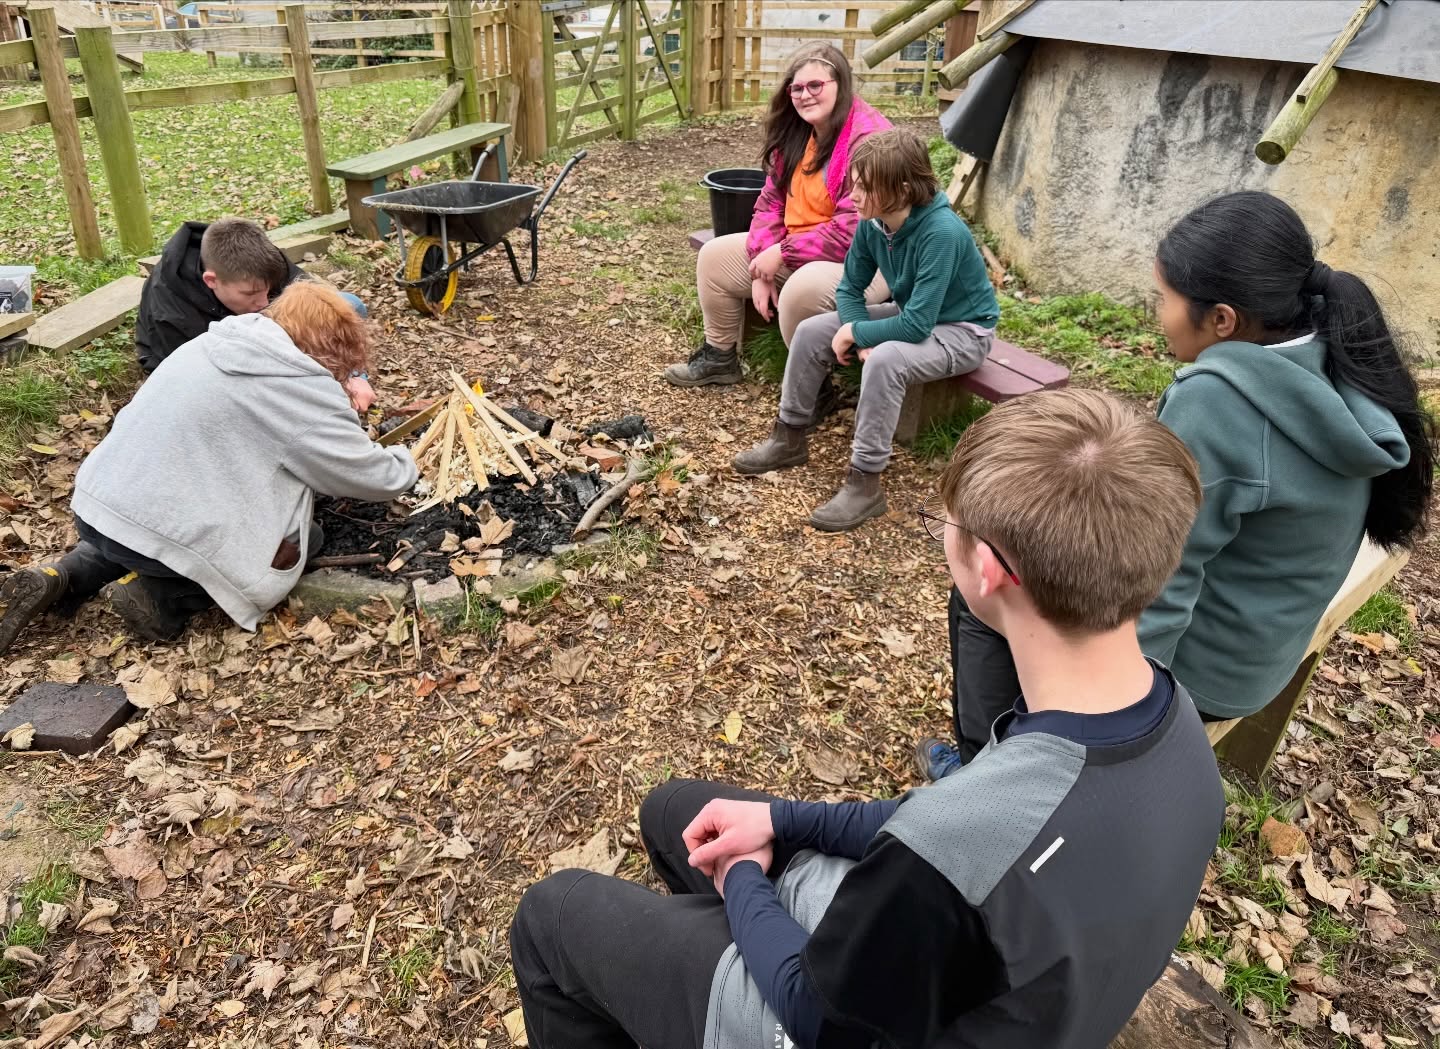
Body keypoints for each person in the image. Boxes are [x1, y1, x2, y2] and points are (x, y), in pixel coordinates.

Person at [510, 388, 1224, 1049]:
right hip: (998, 988)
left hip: (835, 1022)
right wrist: (782, 820)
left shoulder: (945, 859)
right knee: (674, 809)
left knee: (551, 916)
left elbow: (819, 1016)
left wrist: (744, 884)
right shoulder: (1172, 722)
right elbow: (949, 826)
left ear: (990, 571)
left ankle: (704, 993)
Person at [921, 190, 1435, 777]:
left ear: (1222, 320)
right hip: (1261, 652)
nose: (1155, 315)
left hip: (1204, 674)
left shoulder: (1215, 402)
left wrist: (1122, 723)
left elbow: (1163, 568)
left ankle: (983, 774)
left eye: (1163, 300)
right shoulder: (1331, 349)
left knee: (985, 579)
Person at [0, 283, 417, 652]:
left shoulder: (222, 340)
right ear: (333, 347)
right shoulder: (297, 385)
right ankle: (161, 597)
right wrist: (409, 459)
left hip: (99, 505)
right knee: (303, 536)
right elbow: (372, 476)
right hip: (153, 528)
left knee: (136, 527)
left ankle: (64, 572)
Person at [730, 127, 999, 531]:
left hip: (962, 331)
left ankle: (865, 483)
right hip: (915, 315)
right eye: (853, 184)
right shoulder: (873, 224)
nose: (852, 196)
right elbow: (851, 287)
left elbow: (918, 325)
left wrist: (862, 336)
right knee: (812, 330)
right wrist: (854, 327)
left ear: (903, 189)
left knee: (888, 360)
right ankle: (788, 437)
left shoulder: (941, 232)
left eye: (864, 188)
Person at [664, 43, 891, 388]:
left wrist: (782, 253)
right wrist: (760, 263)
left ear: (840, 85)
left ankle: (811, 391)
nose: (805, 95)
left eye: (816, 85)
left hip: (870, 261)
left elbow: (853, 230)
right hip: (803, 248)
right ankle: (720, 358)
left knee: (801, 289)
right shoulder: (798, 132)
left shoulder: (869, 141)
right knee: (713, 257)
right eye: (797, 88)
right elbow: (770, 202)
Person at [136, 218, 376, 409]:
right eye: (250, 294)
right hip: (211, 361)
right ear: (212, 281)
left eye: (268, 290)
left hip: (256, 336)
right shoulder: (170, 310)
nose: (263, 303)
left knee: (350, 303)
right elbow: (200, 384)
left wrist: (353, 374)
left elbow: (320, 305)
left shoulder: (260, 260)